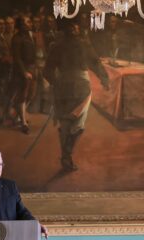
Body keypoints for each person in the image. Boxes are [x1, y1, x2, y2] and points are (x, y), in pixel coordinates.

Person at [43, 20, 109, 171]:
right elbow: (96, 64)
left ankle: (66, 156)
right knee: (77, 125)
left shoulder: (57, 46)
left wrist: (56, 82)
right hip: (80, 88)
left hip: (66, 88)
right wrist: (104, 79)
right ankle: (67, 155)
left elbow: (47, 71)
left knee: (67, 124)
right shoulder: (83, 44)